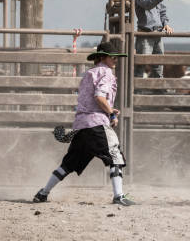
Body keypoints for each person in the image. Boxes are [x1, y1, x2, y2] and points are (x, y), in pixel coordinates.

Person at [33, 42, 135, 206]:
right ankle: (119, 196)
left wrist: (108, 109)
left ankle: (43, 193)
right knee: (115, 155)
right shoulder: (107, 73)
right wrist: (109, 113)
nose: (116, 60)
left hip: (81, 125)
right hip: (96, 124)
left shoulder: (89, 73)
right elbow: (99, 97)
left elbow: (92, 99)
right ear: (103, 57)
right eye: (113, 57)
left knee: (69, 163)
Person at [132, 0, 173, 78]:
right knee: (141, 64)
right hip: (145, 33)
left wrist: (166, 24)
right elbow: (147, 4)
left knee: (159, 64)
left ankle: (157, 89)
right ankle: (137, 91)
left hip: (157, 33)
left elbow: (162, 12)